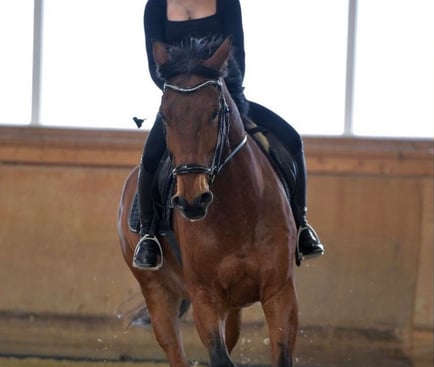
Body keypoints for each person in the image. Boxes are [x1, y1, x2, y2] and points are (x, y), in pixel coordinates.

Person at [133, 0, 325, 270]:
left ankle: (302, 225)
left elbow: (238, 59)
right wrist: (183, 90)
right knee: (150, 157)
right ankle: (148, 235)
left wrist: (211, 88)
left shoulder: (226, 2)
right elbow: (156, 69)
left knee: (292, 140)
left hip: (224, 98)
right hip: (181, 103)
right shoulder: (155, 6)